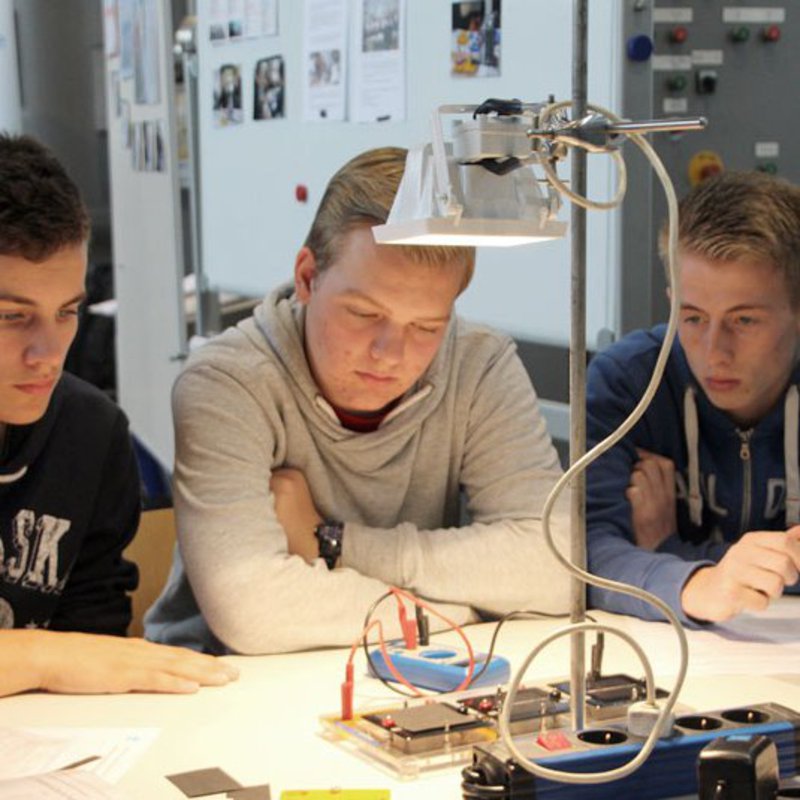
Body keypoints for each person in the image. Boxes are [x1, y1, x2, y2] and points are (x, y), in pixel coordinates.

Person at [145, 146, 570, 655]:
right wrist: (458, 614)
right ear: (307, 278)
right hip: (236, 681)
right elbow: (253, 612)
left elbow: (554, 568)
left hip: (416, 664)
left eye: (426, 327)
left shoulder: (481, 365)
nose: (390, 354)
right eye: (365, 315)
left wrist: (334, 543)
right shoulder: (227, 382)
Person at [0, 133, 237, 696]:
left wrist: (54, 662)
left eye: (66, 312)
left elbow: (92, 648)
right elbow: (68, 659)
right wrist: (38, 657)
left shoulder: (89, 432)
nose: (49, 353)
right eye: (11, 317)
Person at [586, 171, 800, 624]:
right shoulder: (629, 381)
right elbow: (586, 554)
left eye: (744, 321)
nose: (714, 351)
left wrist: (668, 552)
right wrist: (698, 585)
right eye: (693, 318)